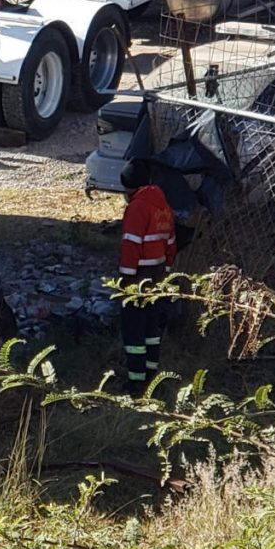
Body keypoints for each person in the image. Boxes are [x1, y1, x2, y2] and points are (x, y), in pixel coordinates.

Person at [117, 159, 177, 396]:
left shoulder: (137, 207)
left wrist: (125, 278)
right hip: (159, 275)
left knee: (133, 330)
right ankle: (153, 377)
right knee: (153, 328)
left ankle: (135, 383)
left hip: (138, 277)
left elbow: (131, 244)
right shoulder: (163, 206)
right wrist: (167, 272)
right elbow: (171, 242)